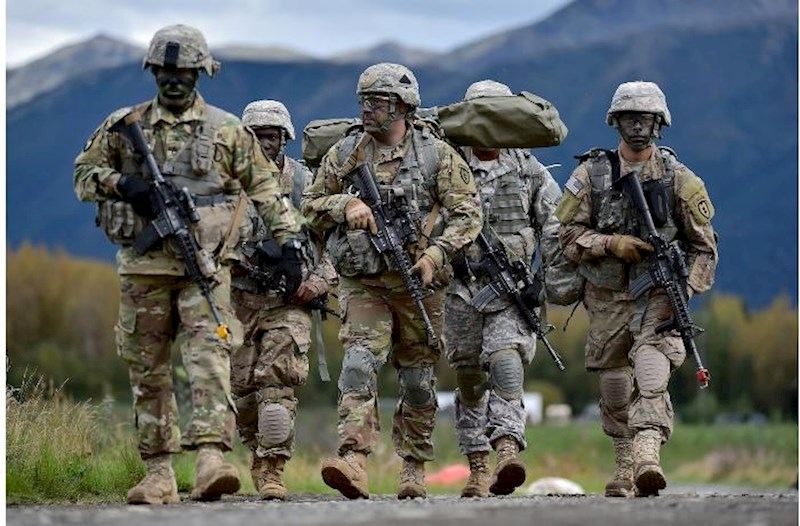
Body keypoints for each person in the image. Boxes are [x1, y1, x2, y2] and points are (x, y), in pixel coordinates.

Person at [73, 24, 300, 504]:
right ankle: (158, 472)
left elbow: (265, 188)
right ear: (153, 72)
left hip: (206, 268)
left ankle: (211, 460)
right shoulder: (125, 125)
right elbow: (83, 175)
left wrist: (289, 245)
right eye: (165, 72)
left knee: (211, 358)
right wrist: (123, 184)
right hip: (144, 269)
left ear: (201, 73)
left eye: (184, 72)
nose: (174, 80)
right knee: (148, 368)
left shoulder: (227, 130)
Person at [301, 63, 483, 499]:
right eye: (363, 101)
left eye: (377, 102)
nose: (367, 109)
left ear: (403, 107)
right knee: (359, 362)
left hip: (420, 284)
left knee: (418, 380)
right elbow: (309, 205)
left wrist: (436, 253)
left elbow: (468, 213)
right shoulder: (346, 153)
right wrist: (345, 205)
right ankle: (353, 459)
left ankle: (413, 467)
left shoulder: (437, 155)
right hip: (365, 281)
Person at [556, 81, 718, 497]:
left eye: (646, 119)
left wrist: (685, 289)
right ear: (616, 122)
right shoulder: (591, 175)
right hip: (607, 294)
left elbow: (705, 248)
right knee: (614, 386)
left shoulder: (679, 179)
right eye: (630, 118)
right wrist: (611, 244)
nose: (638, 127)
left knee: (650, 369)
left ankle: (648, 454)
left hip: (659, 294)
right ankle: (625, 464)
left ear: (659, 124)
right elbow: (567, 236)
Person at [443, 80, 563, 498]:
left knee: (506, 362)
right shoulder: (448, 164)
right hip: (460, 289)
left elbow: (554, 227)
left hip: (510, 291)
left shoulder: (527, 168)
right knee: (469, 376)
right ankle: (477, 464)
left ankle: (508, 448)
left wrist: (544, 283)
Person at [230, 100, 337, 500]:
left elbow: (335, 241)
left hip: (289, 301)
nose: (265, 143)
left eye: (272, 136)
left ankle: (273, 468)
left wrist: (319, 281)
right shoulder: (228, 184)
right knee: (242, 392)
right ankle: (257, 457)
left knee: (277, 386)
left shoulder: (306, 184)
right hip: (238, 300)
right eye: (257, 136)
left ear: (285, 138)